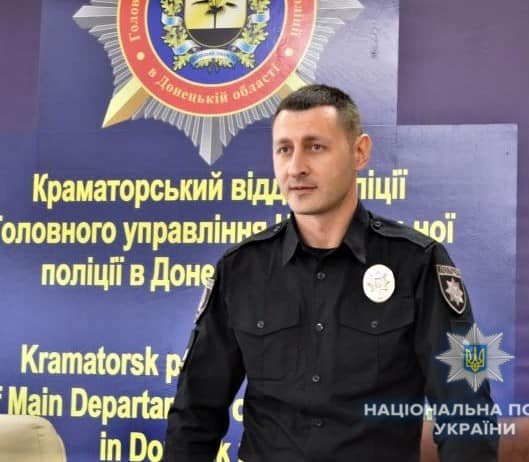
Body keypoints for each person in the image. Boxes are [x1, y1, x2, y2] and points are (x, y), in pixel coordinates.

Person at [163, 84, 498, 461]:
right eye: (284, 149)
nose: (296, 167)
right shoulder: (241, 269)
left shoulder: (418, 263)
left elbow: (467, 409)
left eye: (315, 147)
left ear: (360, 152)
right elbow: (194, 414)